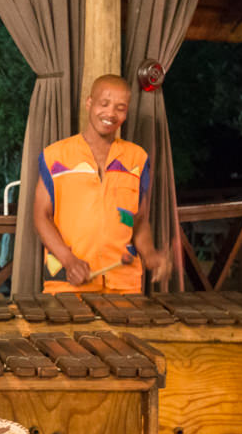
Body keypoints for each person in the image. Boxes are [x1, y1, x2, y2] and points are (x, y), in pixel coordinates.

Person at [33, 74, 171, 293]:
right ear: (89, 103)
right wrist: (69, 260)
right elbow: (41, 216)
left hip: (124, 284)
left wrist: (150, 254)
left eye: (120, 108)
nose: (110, 113)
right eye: (104, 104)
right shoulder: (55, 156)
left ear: (126, 112)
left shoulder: (137, 158)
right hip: (68, 282)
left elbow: (138, 220)